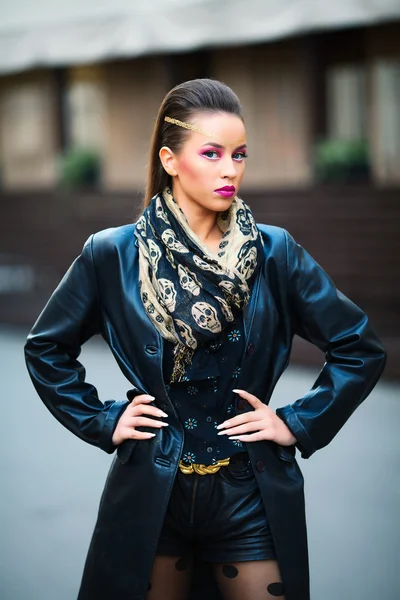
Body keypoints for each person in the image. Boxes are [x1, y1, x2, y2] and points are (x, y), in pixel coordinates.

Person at [24, 78, 386, 600]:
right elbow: (46, 347)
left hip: (249, 488)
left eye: (239, 154)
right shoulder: (112, 254)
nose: (229, 169)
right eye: (212, 153)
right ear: (170, 160)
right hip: (154, 489)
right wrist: (103, 419)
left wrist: (295, 421)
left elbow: (359, 345)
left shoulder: (273, 252)